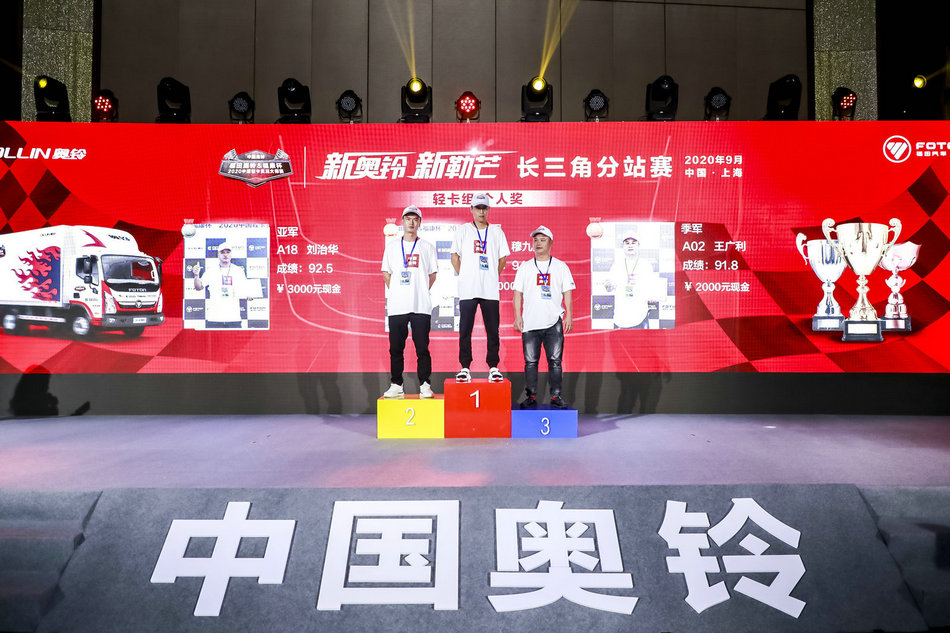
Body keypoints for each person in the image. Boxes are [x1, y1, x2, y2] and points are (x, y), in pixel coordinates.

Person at [513, 226, 574, 409]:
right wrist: (517, 316)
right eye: (535, 240)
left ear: (551, 243)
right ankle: (531, 397)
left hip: (554, 322)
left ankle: (556, 397)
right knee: (531, 363)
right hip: (530, 323)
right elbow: (517, 294)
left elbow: (567, 292)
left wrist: (569, 315)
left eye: (542, 240)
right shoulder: (525, 267)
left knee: (555, 362)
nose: (538, 243)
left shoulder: (560, 266)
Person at [451, 193, 510, 382]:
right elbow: (454, 256)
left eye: (484, 208)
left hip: (490, 290)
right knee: (465, 329)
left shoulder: (497, 232)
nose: (481, 212)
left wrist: (491, 275)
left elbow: (502, 259)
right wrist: (466, 276)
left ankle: (493, 366)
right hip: (468, 290)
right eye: (478, 208)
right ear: (471, 209)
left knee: (492, 330)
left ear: (489, 209)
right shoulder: (463, 231)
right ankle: (464, 367)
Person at [381, 205, 438, 398]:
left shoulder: (427, 247)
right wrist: (399, 292)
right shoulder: (392, 247)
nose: (411, 223)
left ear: (420, 222)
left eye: (415, 219)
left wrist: (419, 290)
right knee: (396, 348)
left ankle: (425, 385)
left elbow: (432, 275)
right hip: (397, 306)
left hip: (420, 305)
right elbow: (386, 273)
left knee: (422, 348)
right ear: (402, 221)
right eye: (408, 219)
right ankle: (396, 384)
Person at [604, 231, 661, 329]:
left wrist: (653, 295)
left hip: (640, 317)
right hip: (620, 318)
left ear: (638, 245)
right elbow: (608, 288)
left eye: (633, 243)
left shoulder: (646, 265)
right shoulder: (616, 266)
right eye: (627, 243)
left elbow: (651, 288)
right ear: (623, 246)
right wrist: (608, 285)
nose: (630, 245)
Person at [193, 242, 252, 328]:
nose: (225, 255)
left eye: (228, 252)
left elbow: (246, 290)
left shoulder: (238, 270)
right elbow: (198, 287)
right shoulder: (211, 271)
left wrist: (250, 295)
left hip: (233, 318)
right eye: (222, 252)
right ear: (218, 255)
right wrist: (196, 275)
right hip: (214, 318)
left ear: (231, 254)